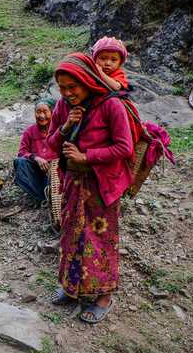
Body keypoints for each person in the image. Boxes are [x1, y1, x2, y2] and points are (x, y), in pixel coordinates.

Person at [47, 52, 134, 324]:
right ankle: (71, 287)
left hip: (101, 184)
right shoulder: (63, 106)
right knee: (71, 234)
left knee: (100, 240)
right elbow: (50, 145)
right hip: (72, 182)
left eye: (73, 87)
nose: (68, 93)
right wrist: (66, 126)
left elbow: (125, 147)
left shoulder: (111, 105)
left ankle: (104, 296)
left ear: (87, 81)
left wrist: (87, 157)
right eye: (62, 87)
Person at [13, 98, 58, 203]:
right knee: (20, 162)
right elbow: (22, 152)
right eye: (38, 112)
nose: (41, 116)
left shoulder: (58, 130)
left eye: (45, 112)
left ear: (52, 113)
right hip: (36, 168)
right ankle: (41, 197)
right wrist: (36, 158)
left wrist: (53, 164)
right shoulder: (29, 131)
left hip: (54, 170)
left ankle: (50, 196)